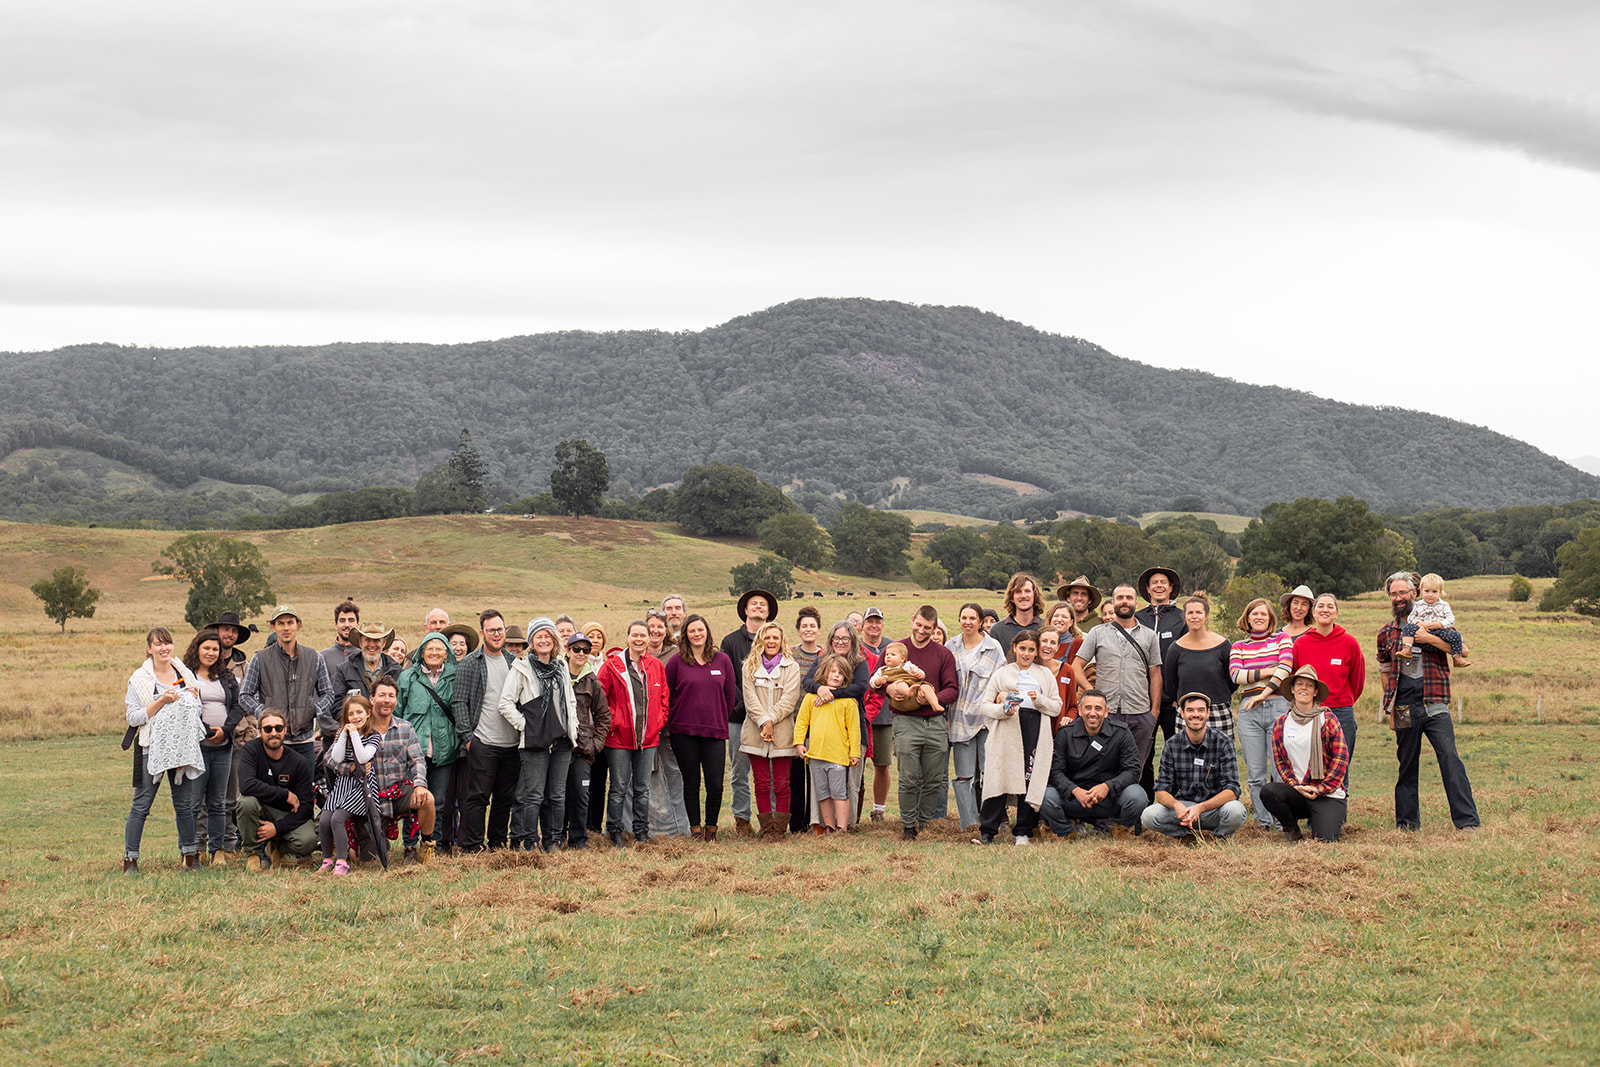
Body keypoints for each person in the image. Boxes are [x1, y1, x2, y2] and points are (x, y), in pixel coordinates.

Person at [1376, 572, 1481, 832]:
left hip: (1435, 700)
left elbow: (1463, 650)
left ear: (1415, 593)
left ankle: (1467, 822)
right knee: (1407, 762)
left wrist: (1428, 639)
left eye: (1404, 592)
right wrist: (1388, 708)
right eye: (1394, 594)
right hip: (1403, 704)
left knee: (1450, 758)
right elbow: (1385, 670)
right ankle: (1407, 824)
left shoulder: (1439, 622)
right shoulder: (1386, 632)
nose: (1399, 598)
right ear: (1390, 597)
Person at [122, 626, 206, 873]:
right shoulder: (139, 680)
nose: (164, 648)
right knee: (142, 803)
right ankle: (130, 859)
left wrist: (190, 698)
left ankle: (190, 857)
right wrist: (161, 701)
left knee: (184, 805)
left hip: (182, 747)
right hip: (151, 748)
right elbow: (133, 717)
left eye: (167, 643)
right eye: (158, 644)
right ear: (149, 649)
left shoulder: (183, 672)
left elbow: (197, 707)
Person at [874, 605, 959, 841]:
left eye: (928, 628)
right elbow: (877, 678)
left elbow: (953, 688)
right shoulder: (896, 649)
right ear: (913, 620)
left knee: (934, 779)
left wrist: (935, 699)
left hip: (935, 722)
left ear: (935, 628)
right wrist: (888, 688)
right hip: (906, 721)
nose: (922, 631)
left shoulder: (943, 654)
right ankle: (908, 826)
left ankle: (925, 821)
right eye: (919, 625)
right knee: (909, 777)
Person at [971, 632, 1061, 845]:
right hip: (1007, 729)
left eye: (1031, 649)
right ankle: (987, 832)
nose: (1027, 654)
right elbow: (984, 705)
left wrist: (1039, 700)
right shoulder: (1002, 674)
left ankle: (1023, 831)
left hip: (1034, 728)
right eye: (1023, 649)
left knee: (1028, 778)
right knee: (999, 777)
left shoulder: (1044, 675)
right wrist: (1003, 709)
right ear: (1014, 648)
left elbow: (1056, 707)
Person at [499, 618, 580, 853]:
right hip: (535, 742)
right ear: (532, 642)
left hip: (562, 740)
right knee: (533, 795)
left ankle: (552, 841)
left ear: (554, 640)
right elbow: (505, 704)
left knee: (557, 795)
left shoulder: (561, 667)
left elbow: (570, 701)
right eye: (538, 637)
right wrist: (525, 725)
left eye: (547, 636)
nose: (543, 641)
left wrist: (572, 726)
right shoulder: (522, 668)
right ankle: (530, 841)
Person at [1070, 585, 1161, 778]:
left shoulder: (1149, 636)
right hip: (1107, 713)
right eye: (1120, 598)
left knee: (1134, 771)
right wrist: (1089, 691)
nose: (1124, 601)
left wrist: (1154, 712)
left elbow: (1155, 675)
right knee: (1101, 769)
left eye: (1129, 597)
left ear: (1136, 603)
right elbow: (1076, 666)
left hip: (1140, 713)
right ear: (1113, 603)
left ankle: (1131, 807)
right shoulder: (1098, 632)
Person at [665, 615, 736, 841]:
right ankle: (695, 830)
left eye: (700, 630)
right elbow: (667, 695)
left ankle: (711, 829)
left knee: (715, 783)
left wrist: (718, 718)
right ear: (685, 634)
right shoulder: (677, 662)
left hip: (714, 730)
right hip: (683, 732)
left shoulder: (722, 660)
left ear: (707, 632)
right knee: (691, 782)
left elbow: (730, 696)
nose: (697, 634)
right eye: (692, 631)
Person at [1259, 666, 1351, 842]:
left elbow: (1341, 759)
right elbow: (1280, 761)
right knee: (1269, 791)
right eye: (1299, 684)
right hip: (1299, 791)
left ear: (1315, 692)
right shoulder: (1281, 723)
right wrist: (1294, 785)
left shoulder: (1328, 720)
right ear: (1292, 689)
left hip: (1327, 793)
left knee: (1325, 841)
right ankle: (1292, 830)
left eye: (1309, 685)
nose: (1304, 688)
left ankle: (1326, 820)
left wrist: (1320, 788)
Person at [1038, 690, 1147, 837]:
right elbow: (1055, 771)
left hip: (1109, 798)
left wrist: (1107, 787)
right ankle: (1065, 831)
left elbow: (1133, 771)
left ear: (1106, 712)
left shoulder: (1121, 733)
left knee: (1137, 796)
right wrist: (1075, 790)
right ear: (1080, 710)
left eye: (1098, 708)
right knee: (1045, 796)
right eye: (1088, 708)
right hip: (1074, 798)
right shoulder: (1065, 734)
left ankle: (1120, 830)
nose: (1093, 713)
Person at [598, 621, 669, 846]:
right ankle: (614, 830)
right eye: (635, 635)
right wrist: (614, 721)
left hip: (647, 739)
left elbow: (664, 699)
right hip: (619, 739)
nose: (639, 639)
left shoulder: (656, 666)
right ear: (627, 637)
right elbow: (601, 699)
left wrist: (659, 722)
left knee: (643, 788)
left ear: (649, 639)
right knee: (618, 787)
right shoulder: (612, 666)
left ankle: (641, 831)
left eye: (643, 635)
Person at [238, 606, 335, 771]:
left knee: (304, 792)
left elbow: (328, 693)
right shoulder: (260, 659)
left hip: (304, 741)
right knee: (272, 792)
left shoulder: (314, 657)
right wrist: (264, 714)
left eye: (290, 622)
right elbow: (244, 695)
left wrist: (314, 709)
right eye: (280, 623)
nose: (286, 627)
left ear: (298, 625)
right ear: (273, 627)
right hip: (272, 741)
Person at [1141, 693, 1248, 840]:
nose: (1195, 714)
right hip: (1183, 810)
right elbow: (1161, 791)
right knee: (1149, 816)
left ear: (1208, 713)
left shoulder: (1223, 742)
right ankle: (1185, 835)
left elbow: (1232, 790)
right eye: (1190, 710)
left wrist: (1201, 808)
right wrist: (1177, 806)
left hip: (1213, 808)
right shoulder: (1172, 745)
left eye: (1200, 710)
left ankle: (1220, 836)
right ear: (1182, 714)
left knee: (1236, 811)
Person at [452, 612, 517, 852]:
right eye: (492, 630)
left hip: (511, 743)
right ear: (482, 633)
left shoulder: (514, 662)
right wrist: (468, 738)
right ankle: (473, 844)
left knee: (504, 797)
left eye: (500, 629)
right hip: (483, 742)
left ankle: (498, 843)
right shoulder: (471, 662)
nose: (497, 634)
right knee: (478, 797)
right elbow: (459, 702)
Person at [1231, 598, 1296, 830]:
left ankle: (1283, 823)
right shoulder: (1238, 646)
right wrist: (1269, 670)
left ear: (1270, 619)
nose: (1259, 617)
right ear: (1247, 618)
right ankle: (1262, 821)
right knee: (1256, 773)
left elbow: (1286, 668)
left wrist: (1262, 692)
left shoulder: (1282, 639)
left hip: (1278, 706)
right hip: (1250, 712)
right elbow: (1236, 676)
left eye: (1264, 614)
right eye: (1254, 613)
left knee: (1279, 772)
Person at [803, 620, 875, 828]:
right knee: (822, 784)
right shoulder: (821, 660)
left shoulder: (859, 663)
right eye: (837, 638)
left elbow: (861, 688)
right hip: (821, 732)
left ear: (853, 640)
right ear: (831, 639)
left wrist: (831, 693)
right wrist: (819, 688)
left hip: (851, 729)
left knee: (849, 781)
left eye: (845, 638)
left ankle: (847, 825)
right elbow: (807, 682)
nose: (841, 642)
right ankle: (824, 825)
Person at [182, 628, 243, 866]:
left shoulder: (226, 677)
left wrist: (225, 731)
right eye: (206, 648)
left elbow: (237, 707)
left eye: (215, 649)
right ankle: (193, 849)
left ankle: (217, 850)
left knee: (218, 802)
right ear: (197, 649)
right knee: (194, 802)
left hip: (223, 746)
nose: (210, 653)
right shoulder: (186, 676)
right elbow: (184, 708)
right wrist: (207, 731)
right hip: (196, 747)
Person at [398, 630, 462, 851]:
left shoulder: (456, 675)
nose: (434, 653)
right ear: (422, 652)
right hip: (414, 751)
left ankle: (430, 845)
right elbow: (397, 713)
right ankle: (409, 846)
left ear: (446, 654)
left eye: (439, 649)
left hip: (445, 751)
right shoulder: (408, 677)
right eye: (429, 649)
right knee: (413, 801)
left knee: (440, 802)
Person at [739, 621, 803, 841]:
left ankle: (779, 830)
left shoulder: (791, 667)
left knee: (782, 783)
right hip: (755, 733)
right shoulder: (748, 666)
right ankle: (767, 830)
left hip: (782, 733)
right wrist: (763, 722)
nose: (771, 641)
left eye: (775, 637)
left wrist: (771, 720)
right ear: (760, 640)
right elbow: (750, 700)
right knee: (762, 782)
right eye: (767, 637)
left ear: (782, 641)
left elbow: (790, 698)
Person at [721, 588, 777, 837]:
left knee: (772, 771)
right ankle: (742, 820)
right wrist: (748, 707)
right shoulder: (730, 642)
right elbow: (727, 678)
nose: (758, 607)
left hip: (772, 719)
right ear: (745, 609)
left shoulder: (775, 639)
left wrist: (768, 713)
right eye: (753, 604)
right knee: (739, 771)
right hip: (739, 717)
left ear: (768, 612)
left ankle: (772, 820)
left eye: (762, 604)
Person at [946, 602, 1005, 831]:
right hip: (959, 718)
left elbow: (1002, 680)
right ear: (959, 620)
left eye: (973, 618)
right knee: (963, 775)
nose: (968, 622)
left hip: (986, 719)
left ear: (981, 621)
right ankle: (968, 824)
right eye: (964, 618)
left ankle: (989, 823)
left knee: (988, 773)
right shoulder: (951, 646)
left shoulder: (993, 647)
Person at [366, 676, 437, 864]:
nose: (387, 700)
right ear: (372, 698)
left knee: (427, 799)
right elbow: (331, 759)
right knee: (365, 858)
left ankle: (425, 845)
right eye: (382, 695)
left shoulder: (405, 728)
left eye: (391, 696)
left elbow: (418, 760)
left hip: (397, 793)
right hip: (368, 798)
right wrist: (350, 767)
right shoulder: (360, 727)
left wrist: (420, 785)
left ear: (396, 700)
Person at [1291, 593, 1365, 771]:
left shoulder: (1349, 643)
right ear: (1314, 613)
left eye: (1330, 606)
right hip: (1308, 712)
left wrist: (1341, 701)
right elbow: (1293, 678)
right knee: (1308, 767)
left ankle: (1340, 799)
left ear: (1336, 613)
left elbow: (1358, 681)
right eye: (1321, 606)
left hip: (1341, 713)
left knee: (1339, 768)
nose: (1325, 610)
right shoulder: (1301, 644)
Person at [237, 709, 318, 871]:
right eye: (268, 729)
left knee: (309, 842)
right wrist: (284, 794)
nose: (273, 733)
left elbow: (306, 807)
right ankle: (253, 854)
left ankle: (276, 848)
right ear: (260, 732)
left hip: (284, 814)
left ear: (285, 730)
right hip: (259, 809)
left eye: (278, 728)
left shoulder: (298, 762)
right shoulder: (251, 750)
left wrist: (277, 828)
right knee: (246, 802)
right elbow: (246, 785)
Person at [793, 654, 862, 833]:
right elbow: (801, 722)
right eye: (833, 672)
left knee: (839, 794)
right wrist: (799, 743)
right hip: (816, 755)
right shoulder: (810, 698)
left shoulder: (848, 702)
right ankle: (829, 827)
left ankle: (842, 828)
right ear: (824, 674)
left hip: (838, 757)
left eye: (841, 673)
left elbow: (854, 730)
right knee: (823, 795)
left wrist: (855, 752)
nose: (836, 676)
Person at [1136, 566, 1188, 798]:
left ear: (1171, 588)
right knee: (1142, 755)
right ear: (1147, 589)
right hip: (1140, 700)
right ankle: (1143, 805)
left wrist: (1181, 695)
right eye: (1154, 582)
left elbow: (1189, 658)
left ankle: (1176, 803)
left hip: (1172, 701)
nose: (1158, 585)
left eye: (1163, 582)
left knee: (1176, 752)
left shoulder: (1181, 619)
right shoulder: (1137, 618)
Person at [317, 694, 380, 875]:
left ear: (368, 713)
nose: (355, 717)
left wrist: (354, 734)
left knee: (338, 819)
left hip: (362, 787)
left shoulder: (373, 737)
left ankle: (342, 862)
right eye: (351, 714)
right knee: (324, 820)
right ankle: (327, 859)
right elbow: (335, 758)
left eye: (359, 712)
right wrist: (343, 736)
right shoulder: (341, 735)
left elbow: (362, 757)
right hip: (343, 784)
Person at [642, 608, 691, 838]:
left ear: (666, 630)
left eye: (660, 626)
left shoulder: (676, 655)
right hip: (642, 730)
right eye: (651, 626)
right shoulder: (635, 655)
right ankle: (648, 828)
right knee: (646, 777)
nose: (655, 630)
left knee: (674, 774)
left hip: (670, 727)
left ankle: (680, 828)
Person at [559, 633, 611, 849]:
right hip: (559, 748)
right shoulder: (556, 675)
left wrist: (596, 745)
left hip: (583, 750)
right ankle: (556, 837)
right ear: (568, 650)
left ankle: (579, 840)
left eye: (586, 650)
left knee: (581, 795)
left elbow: (603, 716)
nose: (581, 653)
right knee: (557, 796)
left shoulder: (592, 681)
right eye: (577, 649)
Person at [1159, 595, 1234, 737]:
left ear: (1206, 615)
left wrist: (1218, 697)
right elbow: (1170, 684)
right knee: (1186, 757)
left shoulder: (1223, 645)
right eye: (1190, 613)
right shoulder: (1175, 649)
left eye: (1198, 612)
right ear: (1185, 616)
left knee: (1221, 757)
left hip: (1218, 709)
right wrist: (1185, 703)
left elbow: (1232, 680)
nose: (1194, 617)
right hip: (1188, 712)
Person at [857, 607, 891, 821]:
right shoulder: (856, 647)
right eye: (870, 621)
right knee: (857, 763)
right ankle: (854, 811)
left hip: (885, 715)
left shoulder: (891, 647)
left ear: (882, 624)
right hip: (859, 714)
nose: (874, 625)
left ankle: (878, 809)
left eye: (877, 621)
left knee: (882, 764)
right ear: (863, 625)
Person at [1401, 573, 1471, 667]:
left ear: (1440, 592)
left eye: (1434, 592)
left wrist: (1440, 624)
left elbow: (1451, 619)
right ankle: (1407, 648)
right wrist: (1420, 623)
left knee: (1456, 635)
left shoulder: (1444, 605)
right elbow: (1411, 618)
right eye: (1427, 591)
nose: (1430, 595)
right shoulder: (1418, 605)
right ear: (1421, 591)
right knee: (1408, 627)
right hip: (1421, 630)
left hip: (1439, 632)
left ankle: (1457, 658)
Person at [332, 621, 400, 701]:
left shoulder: (396, 671)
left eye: (376, 640)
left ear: (384, 643)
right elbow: (337, 704)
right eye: (367, 640)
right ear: (360, 642)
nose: (372, 645)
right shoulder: (344, 670)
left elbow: (401, 705)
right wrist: (356, 712)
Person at [874, 642, 945, 713]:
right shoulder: (882, 670)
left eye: (893, 654)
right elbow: (872, 681)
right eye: (887, 654)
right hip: (900, 697)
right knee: (900, 683)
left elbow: (919, 671)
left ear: (902, 659)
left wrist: (920, 674)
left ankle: (935, 704)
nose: (888, 656)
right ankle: (907, 691)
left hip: (915, 693)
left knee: (926, 687)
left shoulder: (908, 666)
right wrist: (878, 682)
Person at [988, 572, 1046, 655]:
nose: (1023, 595)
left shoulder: (1045, 628)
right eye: (1018, 592)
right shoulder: (997, 631)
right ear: (1011, 598)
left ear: (1034, 596)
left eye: (1027, 591)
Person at [322, 599, 361, 665]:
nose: (347, 625)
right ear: (335, 625)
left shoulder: (365, 656)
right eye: (342, 620)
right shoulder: (322, 658)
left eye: (351, 620)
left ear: (358, 624)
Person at [790, 606, 824, 677]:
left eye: (812, 626)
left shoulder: (826, 656)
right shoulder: (789, 654)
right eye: (804, 626)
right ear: (798, 631)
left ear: (819, 630)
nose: (808, 629)